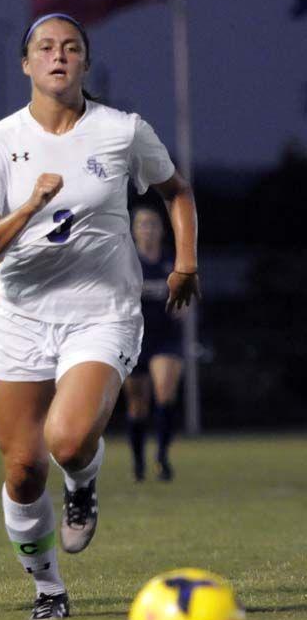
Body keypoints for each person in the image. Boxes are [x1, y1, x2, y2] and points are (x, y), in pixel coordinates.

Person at [0, 13, 200, 620]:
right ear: (26, 64)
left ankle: (83, 483)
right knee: (20, 468)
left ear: (85, 63)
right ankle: (48, 588)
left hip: (102, 312)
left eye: (71, 47)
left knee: (66, 439)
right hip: (20, 317)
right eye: (45, 47)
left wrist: (185, 263)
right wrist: (31, 205)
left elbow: (175, 190)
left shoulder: (122, 131)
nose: (58, 56)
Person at [124, 205, 186, 482]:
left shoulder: (172, 263)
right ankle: (138, 462)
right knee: (138, 404)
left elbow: (186, 299)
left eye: (153, 224)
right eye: (142, 224)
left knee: (165, 392)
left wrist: (182, 304)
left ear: (162, 230)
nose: (148, 229)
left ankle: (162, 455)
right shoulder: (125, 263)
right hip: (134, 338)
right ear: (134, 230)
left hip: (166, 337)